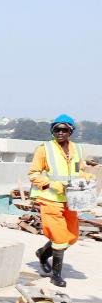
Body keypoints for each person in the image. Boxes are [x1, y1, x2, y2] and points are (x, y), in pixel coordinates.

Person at [29, 114, 89, 288]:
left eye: (64, 130)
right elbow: (33, 174)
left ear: (71, 131)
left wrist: (87, 176)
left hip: (71, 200)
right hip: (50, 199)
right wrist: (51, 184)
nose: (60, 132)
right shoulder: (44, 149)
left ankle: (42, 253)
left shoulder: (77, 149)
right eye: (57, 129)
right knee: (59, 237)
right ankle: (56, 275)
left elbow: (79, 171)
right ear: (52, 130)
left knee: (72, 236)